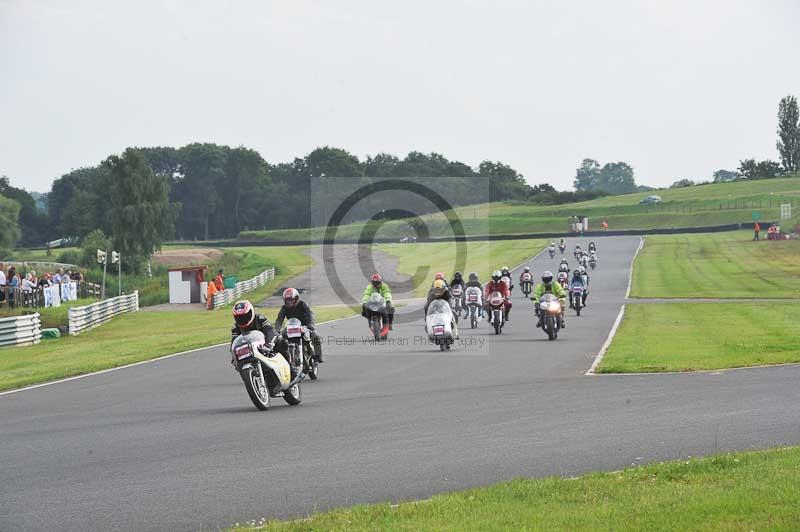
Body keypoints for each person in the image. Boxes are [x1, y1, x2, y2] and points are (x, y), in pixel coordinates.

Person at [231, 299, 289, 367]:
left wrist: (269, 344)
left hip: (265, 345)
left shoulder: (260, 318)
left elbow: (270, 331)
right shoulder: (235, 328)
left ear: (251, 312)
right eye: (239, 317)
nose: (242, 319)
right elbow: (234, 343)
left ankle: (291, 368)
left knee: (281, 341)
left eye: (245, 316)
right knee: (237, 363)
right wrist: (234, 356)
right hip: (250, 350)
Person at [275, 287, 323, 363]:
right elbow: (279, 319)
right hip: (291, 326)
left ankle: (318, 357)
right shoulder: (284, 308)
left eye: (292, 299)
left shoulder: (303, 304)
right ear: (285, 300)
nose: (290, 302)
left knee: (315, 336)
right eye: (288, 300)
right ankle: (285, 359)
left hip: (305, 326)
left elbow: (310, 314)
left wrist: (310, 324)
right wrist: (277, 329)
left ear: (296, 298)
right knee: (280, 339)